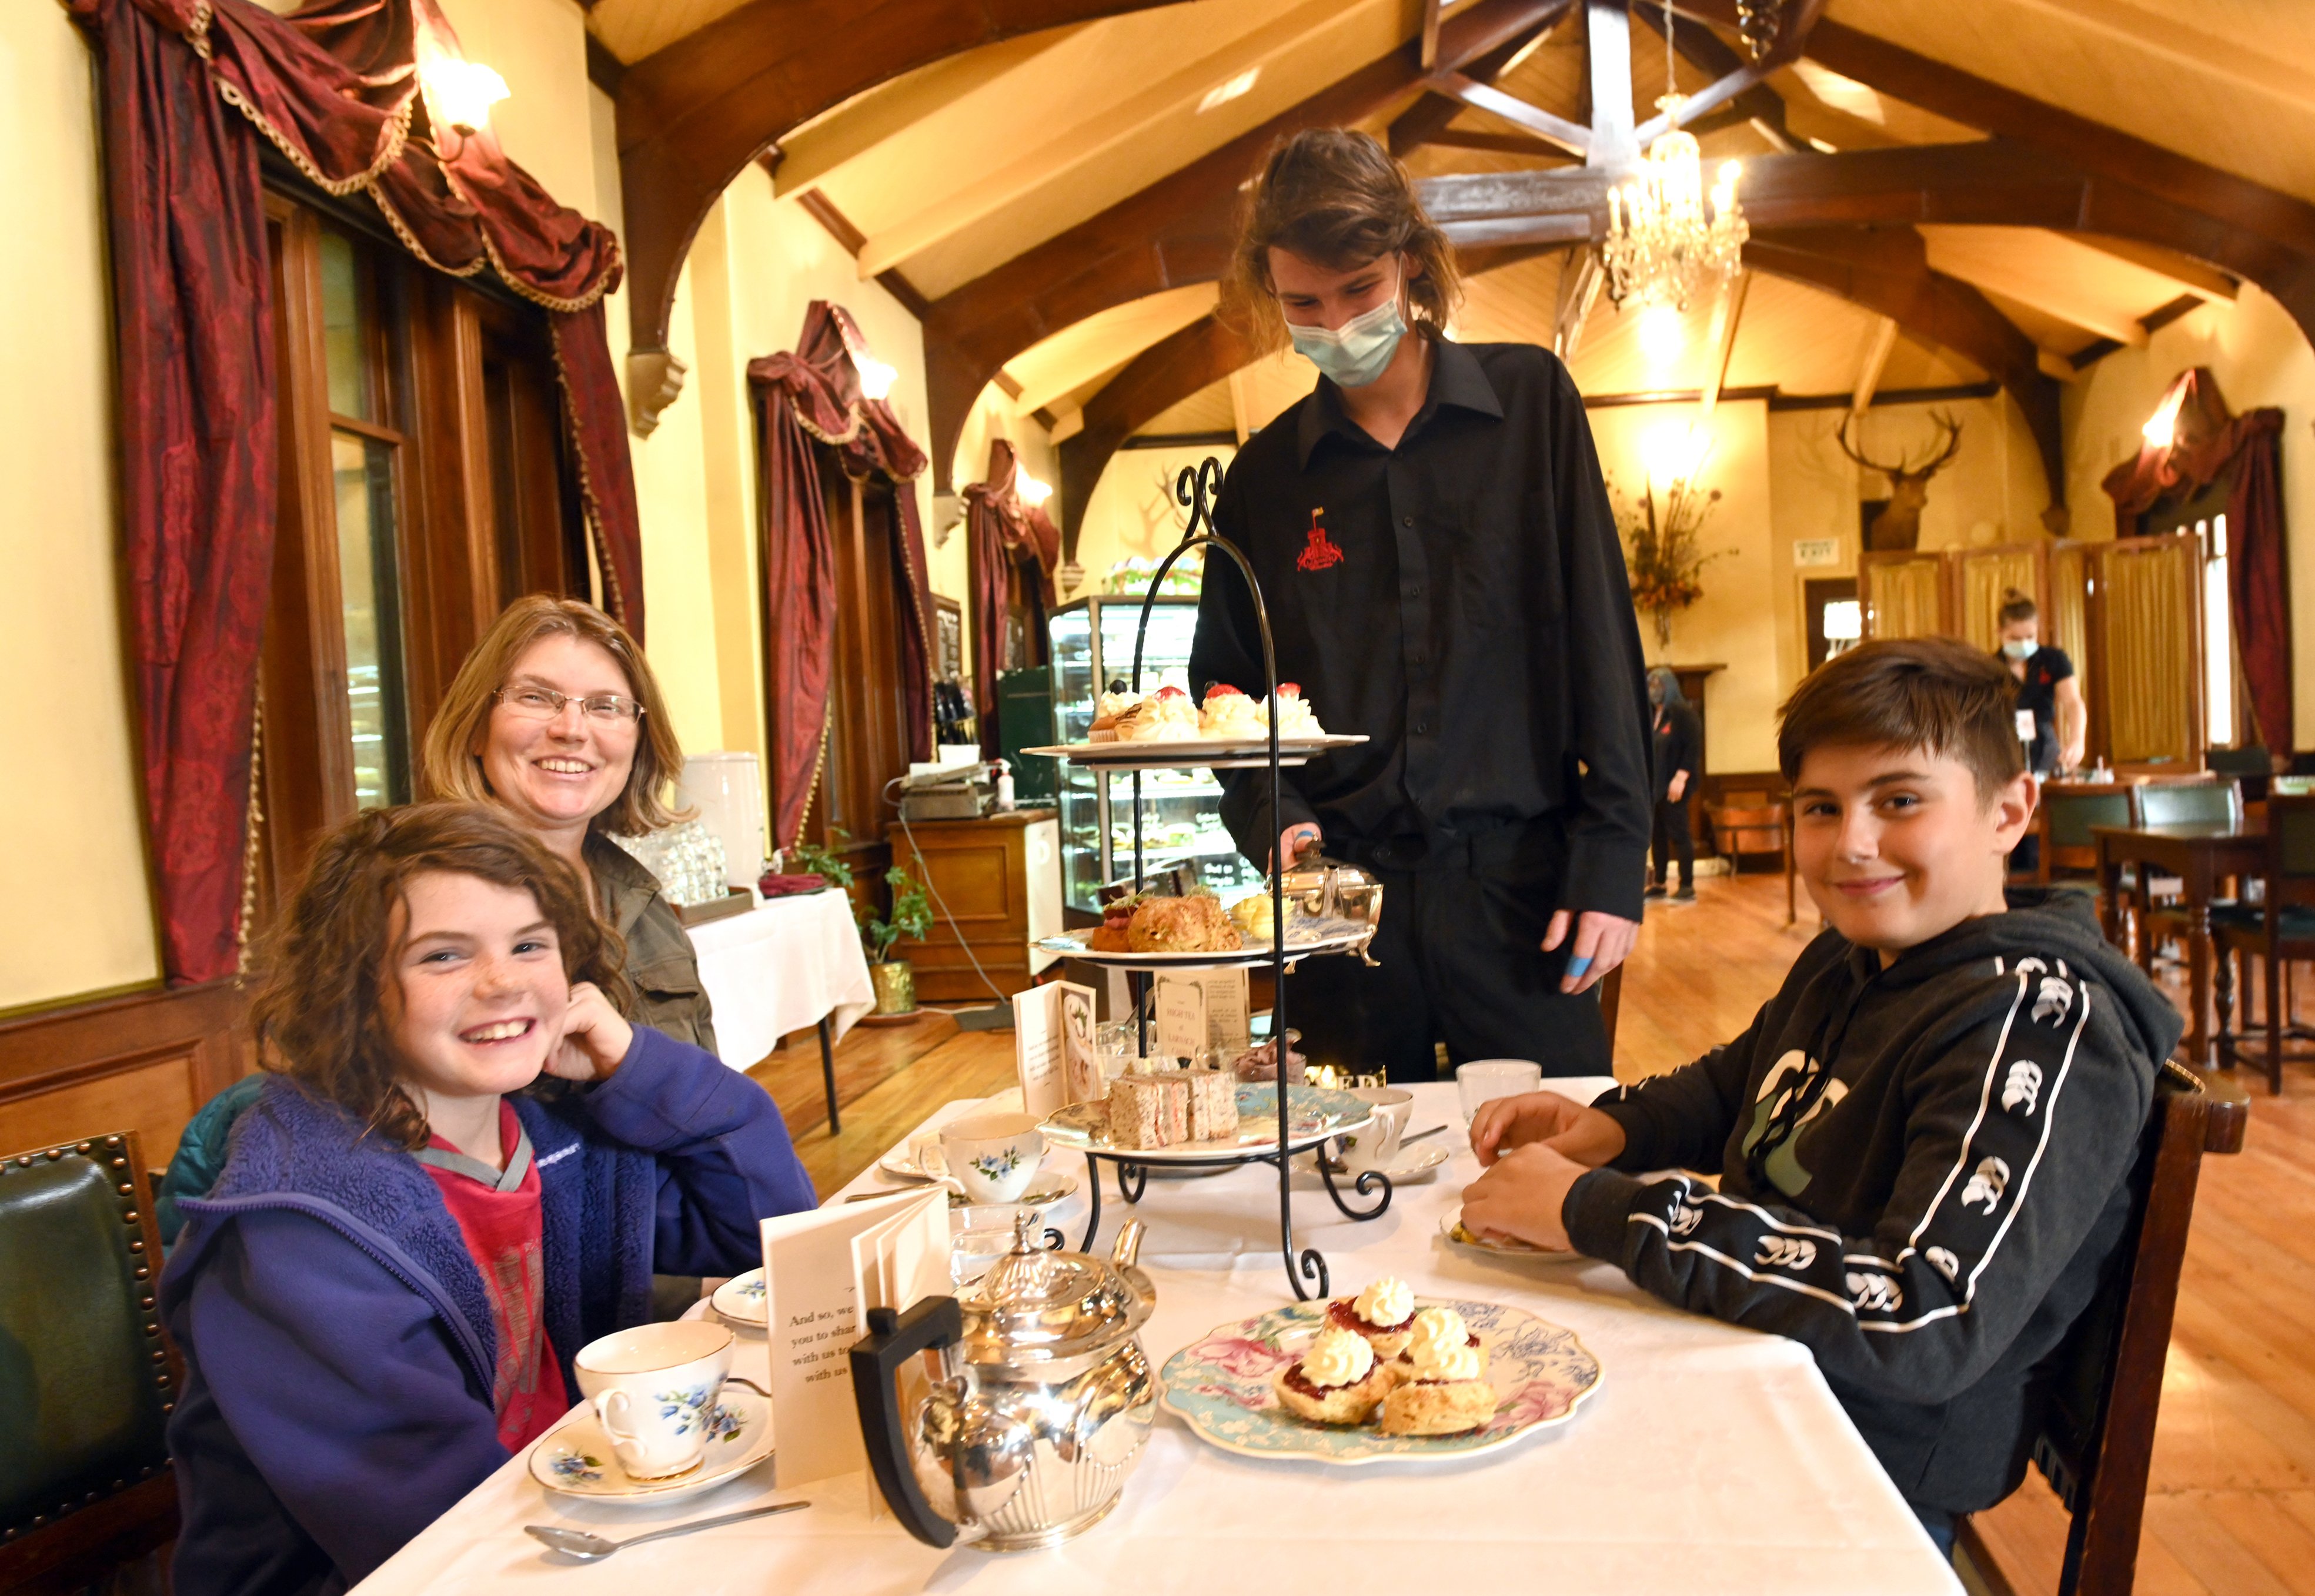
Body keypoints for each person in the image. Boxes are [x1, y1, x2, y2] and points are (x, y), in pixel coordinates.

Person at [1457, 637, 2177, 1554]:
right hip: (1751, 1383)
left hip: (1859, 1474)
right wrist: (1610, 1128)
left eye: (1900, 800)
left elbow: (1920, 1314)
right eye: (1821, 808)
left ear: (2010, 810)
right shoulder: (1852, 960)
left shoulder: (2034, 1023)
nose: (1853, 843)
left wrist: (1604, 1211)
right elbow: (1740, 1079)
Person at [161, 804, 815, 1595]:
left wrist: (634, 1065)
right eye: (443, 955)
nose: (504, 980)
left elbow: (765, 1235)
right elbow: (427, 1533)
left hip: (557, 1513)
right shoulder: (303, 1225)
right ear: (354, 990)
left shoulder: (545, 1130)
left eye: (530, 944)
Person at [1187, 128, 1652, 1083]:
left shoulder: (1532, 404)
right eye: (1303, 304)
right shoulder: (1265, 478)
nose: (1337, 322)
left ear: (1408, 264)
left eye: (1359, 290)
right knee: (1343, 1187)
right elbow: (1226, 687)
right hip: (1338, 898)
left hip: (1522, 885)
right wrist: (1276, 818)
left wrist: (1612, 862)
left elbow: (1601, 642)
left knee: (1543, 1175)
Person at [157, 596, 719, 1248]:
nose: (572, 729)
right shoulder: (389, 886)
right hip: (491, 1291)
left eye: (605, 705)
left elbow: (703, 1104)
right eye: (536, 697)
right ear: (476, 728)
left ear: (638, 737)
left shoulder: (641, 900)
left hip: (674, 1273)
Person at [1996, 589, 2084, 781]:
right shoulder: (1990, 667)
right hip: (2005, 746)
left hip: (2045, 744)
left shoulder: (2053, 660)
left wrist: (2077, 740)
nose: (2024, 643)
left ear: (2037, 630)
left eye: (2030, 637)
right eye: (2015, 639)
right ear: (2000, 633)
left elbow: (2073, 702)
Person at [1644, 666, 1702, 903]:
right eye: (1651, 685)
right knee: (1656, 836)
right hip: (1655, 788)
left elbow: (1693, 746)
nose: (1654, 690)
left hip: (1675, 786)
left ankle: (1687, 886)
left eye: (1659, 685)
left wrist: (1681, 778)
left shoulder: (1681, 711)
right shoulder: (1653, 714)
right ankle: (1659, 884)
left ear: (1670, 687)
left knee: (1679, 834)